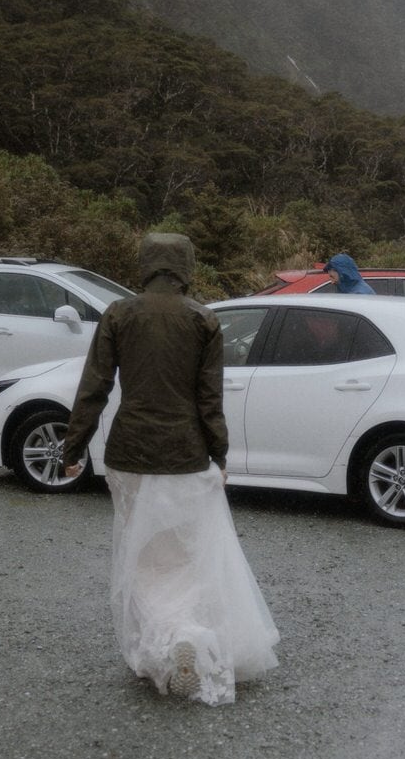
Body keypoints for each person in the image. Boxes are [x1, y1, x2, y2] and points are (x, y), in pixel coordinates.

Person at [61, 233, 278, 704]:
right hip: (185, 453)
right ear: (186, 267)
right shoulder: (204, 319)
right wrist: (219, 454)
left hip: (130, 453)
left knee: (143, 556)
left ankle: (162, 642)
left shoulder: (119, 314)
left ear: (145, 265)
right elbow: (209, 400)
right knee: (186, 555)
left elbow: (94, 386)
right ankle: (188, 632)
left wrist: (73, 445)